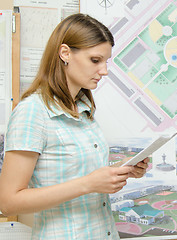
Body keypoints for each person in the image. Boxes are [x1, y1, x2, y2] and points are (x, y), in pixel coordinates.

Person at [0, 13, 149, 239]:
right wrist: (89, 184)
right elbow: (9, 202)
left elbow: (76, 171)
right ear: (65, 53)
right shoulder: (33, 111)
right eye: (95, 60)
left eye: (106, 62)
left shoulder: (82, 108)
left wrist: (122, 170)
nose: (104, 71)